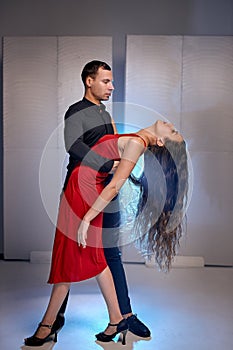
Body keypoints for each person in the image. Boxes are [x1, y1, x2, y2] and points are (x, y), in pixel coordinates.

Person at [24, 118, 188, 347]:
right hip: (80, 189)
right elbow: (106, 150)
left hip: (85, 196)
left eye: (173, 131)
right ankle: (116, 319)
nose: (171, 124)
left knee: (67, 258)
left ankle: (47, 325)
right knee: (86, 258)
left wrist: (87, 218)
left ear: (160, 141)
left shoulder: (137, 144)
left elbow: (113, 187)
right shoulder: (135, 138)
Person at [53, 60, 151, 338]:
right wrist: (108, 166)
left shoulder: (104, 113)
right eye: (106, 81)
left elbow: (116, 147)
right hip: (81, 192)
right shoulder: (76, 111)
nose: (112, 86)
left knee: (112, 254)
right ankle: (56, 318)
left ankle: (125, 316)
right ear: (89, 81)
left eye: (112, 81)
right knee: (70, 254)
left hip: (108, 193)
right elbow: (74, 146)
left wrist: (131, 174)